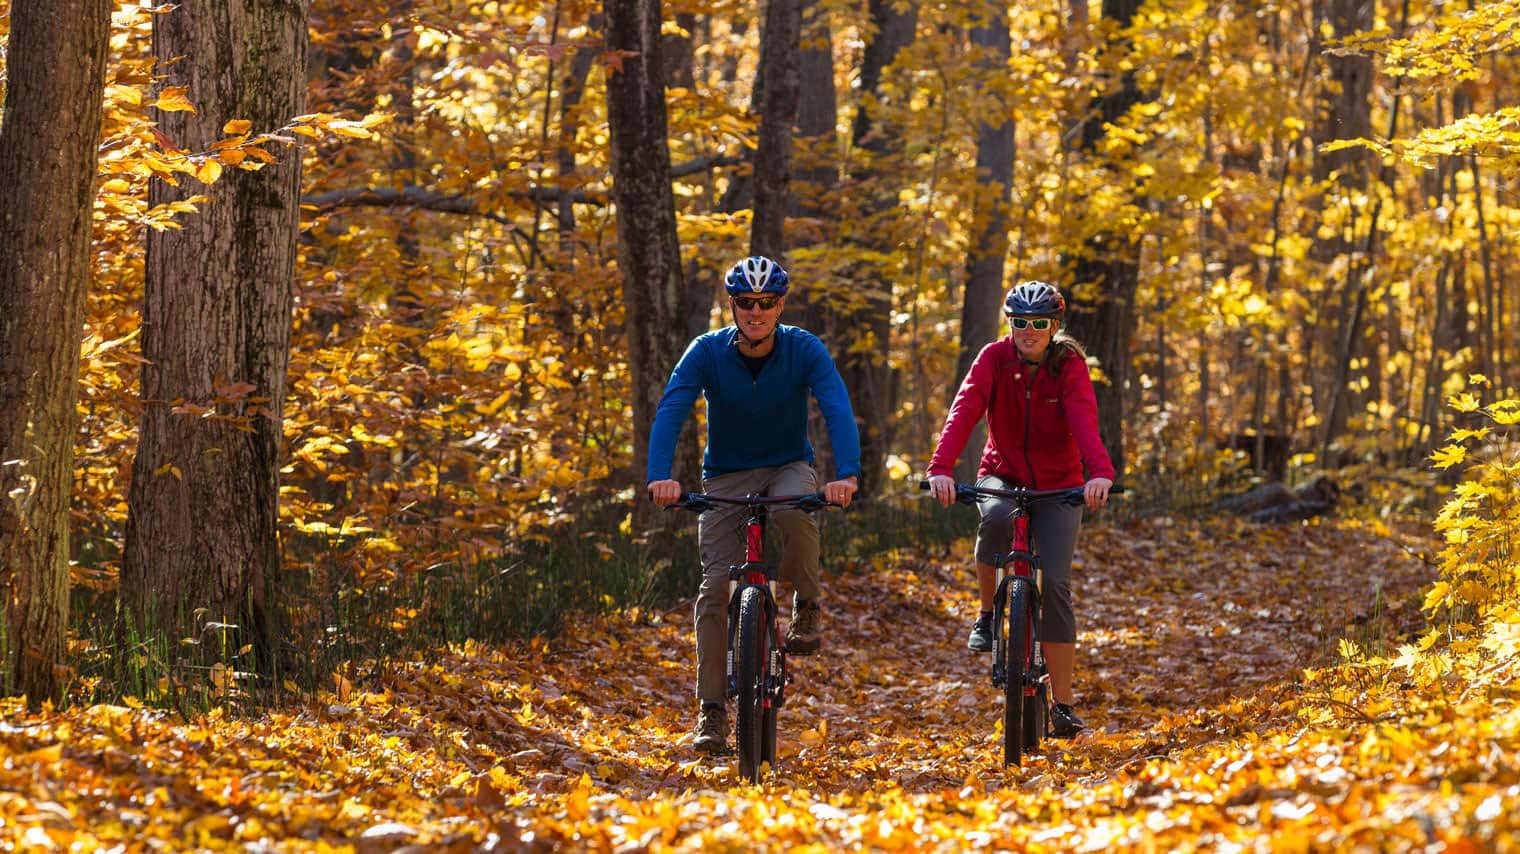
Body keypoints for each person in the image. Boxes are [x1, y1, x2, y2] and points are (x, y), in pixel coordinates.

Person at [647, 255, 861, 755]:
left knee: (791, 508)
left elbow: (835, 405)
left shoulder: (804, 348)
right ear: (732, 306)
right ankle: (712, 709)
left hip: (787, 465)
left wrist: (847, 474)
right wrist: (660, 476)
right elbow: (673, 407)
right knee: (714, 587)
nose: (756, 312)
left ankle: (806, 601)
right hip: (726, 475)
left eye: (766, 302)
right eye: (746, 302)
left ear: (781, 305)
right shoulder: (706, 351)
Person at [924, 280, 1113, 738]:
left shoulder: (1068, 365)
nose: (1028, 330)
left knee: (1057, 585)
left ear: (1054, 326)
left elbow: (1083, 420)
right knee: (993, 518)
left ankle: (1062, 704)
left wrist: (1099, 474)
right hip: (1002, 473)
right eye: (1020, 321)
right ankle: (987, 615)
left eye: (1039, 323)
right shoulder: (993, 358)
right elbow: (964, 410)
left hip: (1060, 484)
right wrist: (941, 468)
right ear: (1009, 323)